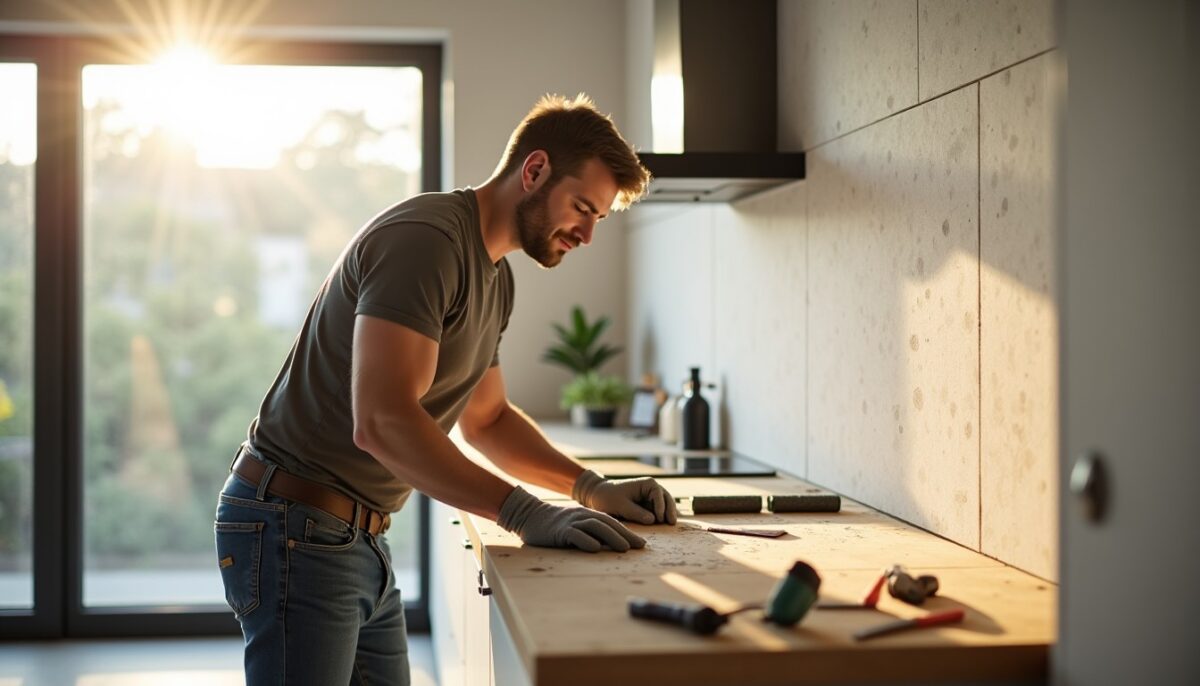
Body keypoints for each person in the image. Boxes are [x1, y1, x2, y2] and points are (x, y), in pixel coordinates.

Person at [213, 94, 678, 686]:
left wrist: (591, 488)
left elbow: (487, 420)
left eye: (598, 218)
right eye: (581, 207)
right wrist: (524, 512)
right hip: (294, 527)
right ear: (534, 171)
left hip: (356, 536)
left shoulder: (496, 279)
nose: (586, 233)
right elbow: (380, 420)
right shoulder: (427, 241)